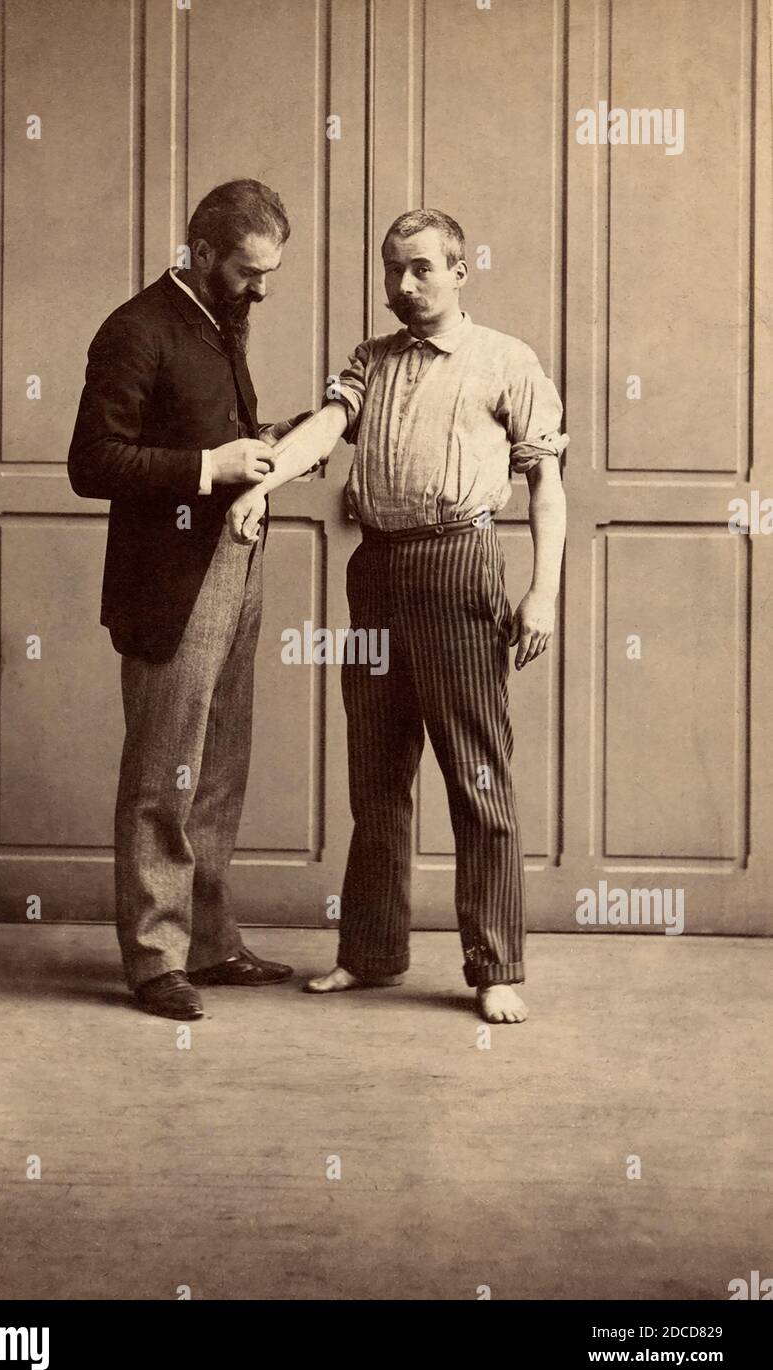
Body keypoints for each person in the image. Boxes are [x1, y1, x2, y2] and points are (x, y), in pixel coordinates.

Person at [228, 208, 568, 1024]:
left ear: (459, 268)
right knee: (376, 778)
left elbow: (545, 486)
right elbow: (322, 430)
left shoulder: (505, 361)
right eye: (391, 270)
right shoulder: (369, 361)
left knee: (476, 777)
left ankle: (494, 966)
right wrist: (261, 484)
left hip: (459, 567)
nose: (403, 285)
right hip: (374, 571)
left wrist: (542, 592)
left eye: (419, 268)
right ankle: (371, 953)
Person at [68, 179, 302, 1020]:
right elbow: (92, 460)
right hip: (170, 584)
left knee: (219, 768)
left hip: (234, 568)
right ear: (201, 254)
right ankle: (154, 961)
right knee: (164, 773)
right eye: (247, 271)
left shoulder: (217, 320)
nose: (260, 287)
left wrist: (271, 440)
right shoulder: (136, 329)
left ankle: (207, 944)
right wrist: (211, 469)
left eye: (269, 271)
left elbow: (205, 427)